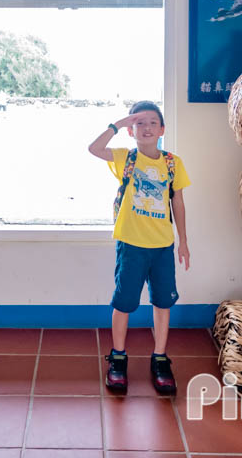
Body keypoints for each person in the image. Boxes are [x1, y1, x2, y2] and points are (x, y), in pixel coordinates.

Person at [87, 100, 191, 394]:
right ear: (132, 131)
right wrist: (117, 124)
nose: (146, 128)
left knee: (162, 302)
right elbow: (94, 149)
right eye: (139, 123)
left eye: (152, 123)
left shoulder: (173, 163)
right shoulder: (125, 158)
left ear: (162, 129)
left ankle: (160, 357)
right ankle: (117, 357)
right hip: (131, 245)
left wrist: (183, 242)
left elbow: (178, 202)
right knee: (124, 302)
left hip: (162, 247)